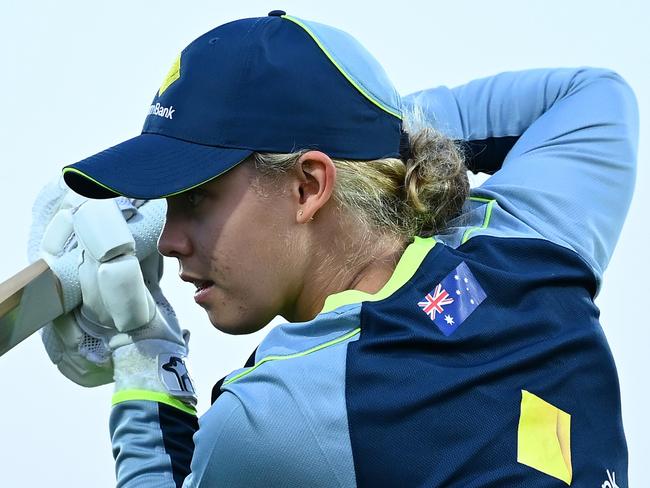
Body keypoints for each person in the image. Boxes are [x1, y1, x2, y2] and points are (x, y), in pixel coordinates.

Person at [31, 10, 638, 487]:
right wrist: (375, 133)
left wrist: (143, 354)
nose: (169, 240)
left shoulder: (275, 418)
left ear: (309, 185)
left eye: (197, 198)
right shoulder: (527, 238)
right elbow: (594, 97)